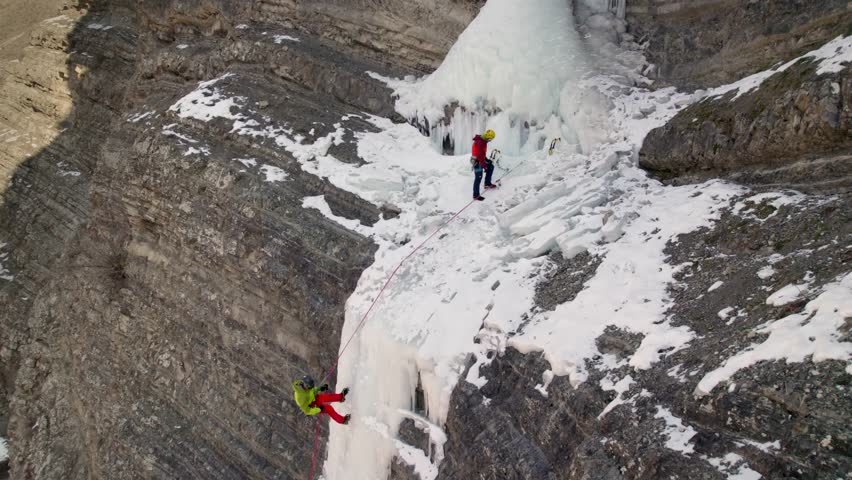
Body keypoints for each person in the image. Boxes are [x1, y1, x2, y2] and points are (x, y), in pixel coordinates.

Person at [471, 129, 496, 201]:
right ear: (488, 137)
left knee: (491, 166)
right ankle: (476, 195)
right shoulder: (480, 142)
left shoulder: (483, 141)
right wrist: (484, 166)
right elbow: (479, 155)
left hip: (481, 159)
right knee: (478, 177)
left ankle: (487, 183)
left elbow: (482, 154)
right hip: (477, 162)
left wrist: (487, 161)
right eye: (490, 139)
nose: (490, 140)